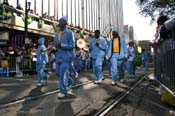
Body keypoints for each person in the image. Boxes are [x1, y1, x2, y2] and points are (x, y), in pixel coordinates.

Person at [54, 16, 75, 98]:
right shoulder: (56, 33)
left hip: (66, 57)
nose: (59, 22)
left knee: (62, 74)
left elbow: (72, 45)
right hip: (59, 56)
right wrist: (56, 46)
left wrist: (62, 45)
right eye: (59, 21)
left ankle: (63, 91)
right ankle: (69, 81)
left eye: (62, 21)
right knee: (58, 73)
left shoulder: (70, 33)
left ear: (65, 23)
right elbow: (56, 44)